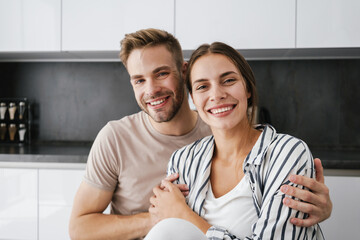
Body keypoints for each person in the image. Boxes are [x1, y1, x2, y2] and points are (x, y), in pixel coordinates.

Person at [69, 29, 331, 240]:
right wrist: (158, 218)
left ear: (183, 73)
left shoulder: (221, 125)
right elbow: (80, 228)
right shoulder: (126, 141)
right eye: (139, 80)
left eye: (161, 73)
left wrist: (319, 210)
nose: (151, 90)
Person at [146, 42, 325, 239]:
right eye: (203, 86)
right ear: (193, 99)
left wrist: (185, 215)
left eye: (228, 80)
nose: (216, 95)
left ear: (247, 88)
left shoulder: (288, 153)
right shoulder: (183, 161)